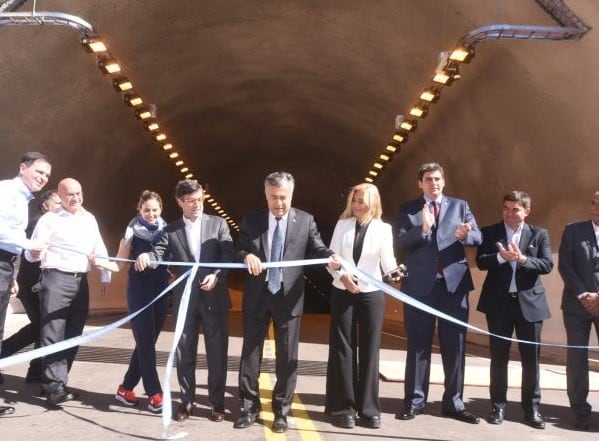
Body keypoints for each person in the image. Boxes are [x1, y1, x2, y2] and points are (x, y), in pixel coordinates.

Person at [234, 171, 335, 433]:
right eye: (273, 197)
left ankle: (281, 409)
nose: (279, 203)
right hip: (258, 296)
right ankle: (248, 406)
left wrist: (331, 257)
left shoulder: (305, 220)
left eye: (284, 197)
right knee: (250, 354)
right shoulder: (252, 220)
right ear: (265, 195)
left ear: (292, 195)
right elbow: (239, 247)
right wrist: (246, 256)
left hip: (289, 298)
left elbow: (317, 248)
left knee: (287, 357)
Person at [135, 180, 233, 422]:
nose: (197, 204)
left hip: (215, 298)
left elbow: (228, 254)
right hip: (185, 300)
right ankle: (186, 402)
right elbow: (159, 254)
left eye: (200, 199)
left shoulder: (218, 224)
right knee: (184, 352)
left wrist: (217, 276)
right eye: (190, 201)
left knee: (217, 353)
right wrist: (147, 256)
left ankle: (216, 403)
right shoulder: (171, 231)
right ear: (180, 202)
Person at [396, 162, 481, 424]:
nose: (433, 183)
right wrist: (422, 229)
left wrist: (466, 235)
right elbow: (400, 243)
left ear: (444, 181)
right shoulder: (409, 210)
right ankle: (415, 401)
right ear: (420, 184)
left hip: (453, 288)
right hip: (420, 287)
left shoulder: (460, 206)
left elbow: (478, 237)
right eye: (428, 179)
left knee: (454, 347)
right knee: (418, 346)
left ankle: (454, 403)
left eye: (437, 179)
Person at [25, 177, 118, 406]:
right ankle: (54, 386)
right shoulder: (49, 220)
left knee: (74, 333)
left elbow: (98, 246)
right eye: (69, 195)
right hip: (56, 278)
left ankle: (56, 381)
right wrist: (34, 254)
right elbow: (31, 251)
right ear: (60, 195)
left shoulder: (89, 219)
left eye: (78, 193)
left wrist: (106, 274)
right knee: (53, 333)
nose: (75, 198)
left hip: (80, 281)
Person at [324, 183, 402, 429]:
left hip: (372, 294)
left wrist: (395, 273)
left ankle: (369, 409)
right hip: (342, 291)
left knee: (370, 350)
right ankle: (343, 407)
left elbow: (388, 262)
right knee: (343, 348)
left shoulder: (383, 229)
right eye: (355, 200)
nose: (357, 205)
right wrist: (342, 277)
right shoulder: (342, 225)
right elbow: (331, 260)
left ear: (373, 202)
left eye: (362, 201)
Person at [476, 190, 552, 429]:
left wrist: (522, 260)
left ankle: (531, 409)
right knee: (499, 359)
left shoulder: (539, 234)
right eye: (506, 208)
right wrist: (501, 258)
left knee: (531, 360)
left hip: (530, 305)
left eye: (515, 209)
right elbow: (480, 261)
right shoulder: (490, 232)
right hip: (498, 305)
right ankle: (498, 406)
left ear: (526, 211)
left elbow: (547, 264)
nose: (509, 213)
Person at [0, 152, 51, 415]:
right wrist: (30, 244)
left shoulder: (23, 200)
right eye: (38, 172)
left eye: (46, 175)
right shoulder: (6, 191)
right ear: (22, 168)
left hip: (6, 266)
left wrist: (14, 275)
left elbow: (13, 240)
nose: (42, 178)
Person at [114, 191, 170, 413]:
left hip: (161, 288)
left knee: (147, 343)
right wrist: (101, 264)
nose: (151, 214)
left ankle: (125, 388)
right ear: (139, 210)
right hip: (139, 289)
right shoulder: (131, 230)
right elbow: (120, 260)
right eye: (146, 210)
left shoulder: (167, 229)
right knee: (146, 342)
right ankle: (155, 393)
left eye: (155, 210)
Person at [1, 189, 61, 383]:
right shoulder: (39, 224)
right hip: (31, 285)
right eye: (57, 204)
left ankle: (34, 371)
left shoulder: (48, 223)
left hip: (35, 284)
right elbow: (23, 253)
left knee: (40, 328)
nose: (61, 208)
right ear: (45, 205)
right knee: (43, 327)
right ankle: (34, 370)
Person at [558, 190, 599, 431]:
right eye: (593, 203)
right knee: (576, 359)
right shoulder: (573, 230)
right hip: (576, 305)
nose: (595, 208)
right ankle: (580, 409)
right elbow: (565, 265)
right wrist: (584, 294)